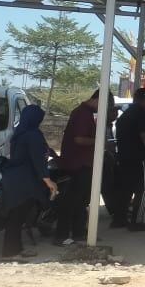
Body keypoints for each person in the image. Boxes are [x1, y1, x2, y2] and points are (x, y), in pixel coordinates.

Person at [0, 105, 58, 261]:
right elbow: (37, 159)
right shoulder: (32, 135)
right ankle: (10, 253)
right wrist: (48, 180)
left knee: (17, 217)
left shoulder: (20, 133)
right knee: (17, 217)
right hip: (25, 180)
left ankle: (16, 249)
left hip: (14, 178)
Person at [53, 89, 102, 246]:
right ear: (98, 99)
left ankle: (79, 233)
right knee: (71, 201)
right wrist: (99, 140)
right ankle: (62, 235)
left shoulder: (84, 112)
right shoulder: (82, 114)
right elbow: (79, 139)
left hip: (80, 163)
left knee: (80, 202)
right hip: (77, 165)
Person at [114, 87, 145, 231]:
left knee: (125, 189)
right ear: (143, 99)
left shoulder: (126, 115)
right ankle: (136, 221)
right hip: (140, 159)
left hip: (124, 159)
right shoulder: (141, 115)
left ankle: (119, 219)